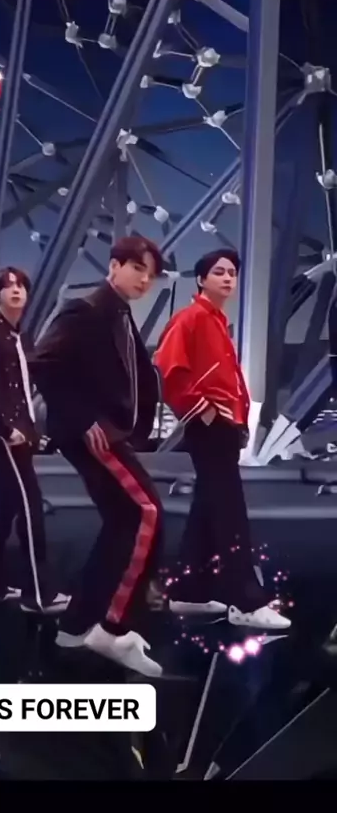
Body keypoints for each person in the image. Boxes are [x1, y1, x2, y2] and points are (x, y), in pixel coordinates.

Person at [30, 236, 165, 676]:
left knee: (124, 520)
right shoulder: (85, 310)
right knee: (146, 512)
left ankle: (76, 625)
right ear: (114, 265)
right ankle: (113, 628)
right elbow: (43, 362)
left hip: (109, 431)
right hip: (93, 434)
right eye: (138, 268)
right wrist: (84, 417)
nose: (144, 280)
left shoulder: (119, 314)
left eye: (150, 274)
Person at [153, 248, 291, 630]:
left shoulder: (216, 321)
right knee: (230, 513)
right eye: (219, 272)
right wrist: (207, 413)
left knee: (207, 508)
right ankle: (245, 600)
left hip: (224, 429)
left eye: (232, 272)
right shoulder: (191, 318)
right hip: (210, 429)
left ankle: (189, 592)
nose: (228, 278)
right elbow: (168, 369)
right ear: (201, 279)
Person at [0, 266, 70, 614]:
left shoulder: (19, 337)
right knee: (30, 509)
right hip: (8, 436)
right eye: (8, 286)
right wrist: (5, 429)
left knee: (5, 506)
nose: (15, 290)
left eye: (21, 286)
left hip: (22, 432)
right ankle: (38, 595)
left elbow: (26, 388)